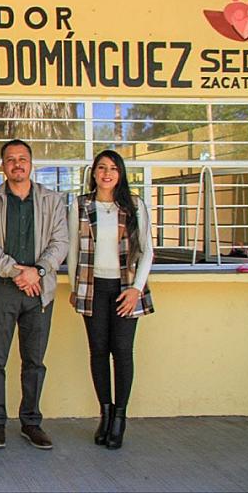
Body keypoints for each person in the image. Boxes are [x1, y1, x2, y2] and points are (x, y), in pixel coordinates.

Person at [0, 139, 69, 450]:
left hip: (39, 291)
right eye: (11, 159)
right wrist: (18, 272)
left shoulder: (52, 200)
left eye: (22, 159)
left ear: (31, 164)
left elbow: (60, 243)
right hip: (1, 289)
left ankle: (31, 422)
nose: (17, 164)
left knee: (34, 360)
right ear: (3, 166)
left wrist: (37, 271)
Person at [68, 150, 155, 450]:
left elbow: (147, 251)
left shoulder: (135, 205)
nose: (107, 173)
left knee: (122, 351)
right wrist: (75, 286)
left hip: (126, 288)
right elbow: (73, 250)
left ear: (121, 174)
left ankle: (120, 417)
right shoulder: (81, 205)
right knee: (98, 351)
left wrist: (136, 289)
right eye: (102, 168)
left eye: (114, 168)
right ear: (93, 173)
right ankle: (105, 413)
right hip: (92, 287)